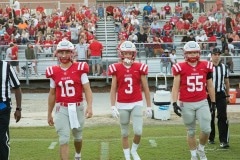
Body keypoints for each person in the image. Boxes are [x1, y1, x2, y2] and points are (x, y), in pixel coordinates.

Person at [46, 40, 93, 160]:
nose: (64, 55)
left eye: (67, 52)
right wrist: (49, 113)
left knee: (78, 136)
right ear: (57, 53)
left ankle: (78, 155)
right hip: (61, 108)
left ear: (72, 53)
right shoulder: (54, 71)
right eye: (61, 52)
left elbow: (87, 89)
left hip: (77, 106)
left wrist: (90, 106)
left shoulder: (80, 68)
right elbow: (52, 94)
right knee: (63, 138)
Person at [171, 41, 216, 160]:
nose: (192, 55)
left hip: (202, 101)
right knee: (191, 131)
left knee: (207, 129)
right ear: (185, 54)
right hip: (186, 103)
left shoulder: (205, 65)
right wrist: (174, 103)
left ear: (199, 52)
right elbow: (175, 87)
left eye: (195, 52)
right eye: (190, 53)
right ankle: (193, 155)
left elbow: (210, 86)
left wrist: (213, 101)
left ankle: (201, 148)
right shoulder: (179, 67)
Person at [108, 41, 152, 160]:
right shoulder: (116, 68)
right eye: (125, 53)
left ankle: (134, 150)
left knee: (138, 131)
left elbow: (146, 88)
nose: (127, 56)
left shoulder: (139, 67)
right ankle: (127, 156)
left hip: (136, 102)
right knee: (124, 133)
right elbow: (113, 89)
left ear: (133, 54)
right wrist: (113, 106)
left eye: (129, 53)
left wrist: (149, 106)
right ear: (121, 54)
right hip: (122, 104)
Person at [208, 48, 230, 148]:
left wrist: (228, 95)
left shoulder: (224, 67)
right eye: (215, 54)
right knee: (210, 117)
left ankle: (223, 141)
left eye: (218, 54)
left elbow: (226, 82)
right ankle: (211, 137)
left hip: (220, 94)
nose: (217, 56)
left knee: (222, 117)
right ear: (211, 55)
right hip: (208, 95)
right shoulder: (207, 66)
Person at [0, 59, 22, 160]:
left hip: (2, 107)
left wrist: (18, 108)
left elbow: (17, 88)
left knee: (1, 139)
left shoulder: (6, 67)